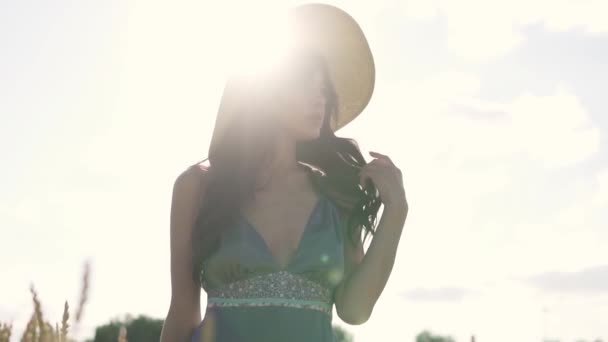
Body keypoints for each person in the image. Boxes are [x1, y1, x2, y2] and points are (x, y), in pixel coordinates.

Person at [160, 3, 408, 342]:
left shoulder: (338, 192)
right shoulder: (197, 186)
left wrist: (396, 213)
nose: (320, 100)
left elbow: (355, 310)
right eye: (307, 84)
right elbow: (182, 311)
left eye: (324, 91)